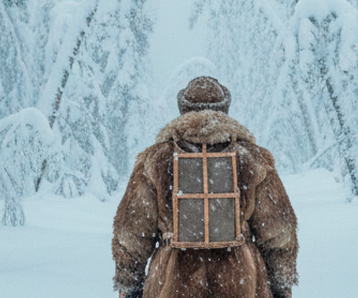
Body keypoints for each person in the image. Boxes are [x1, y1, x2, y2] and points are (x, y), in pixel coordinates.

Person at [112, 76, 298, 298]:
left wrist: (129, 286)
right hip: (241, 282)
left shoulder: (156, 160)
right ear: (224, 109)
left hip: (171, 283)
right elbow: (279, 233)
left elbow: (130, 233)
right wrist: (281, 285)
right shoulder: (253, 159)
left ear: (183, 109)